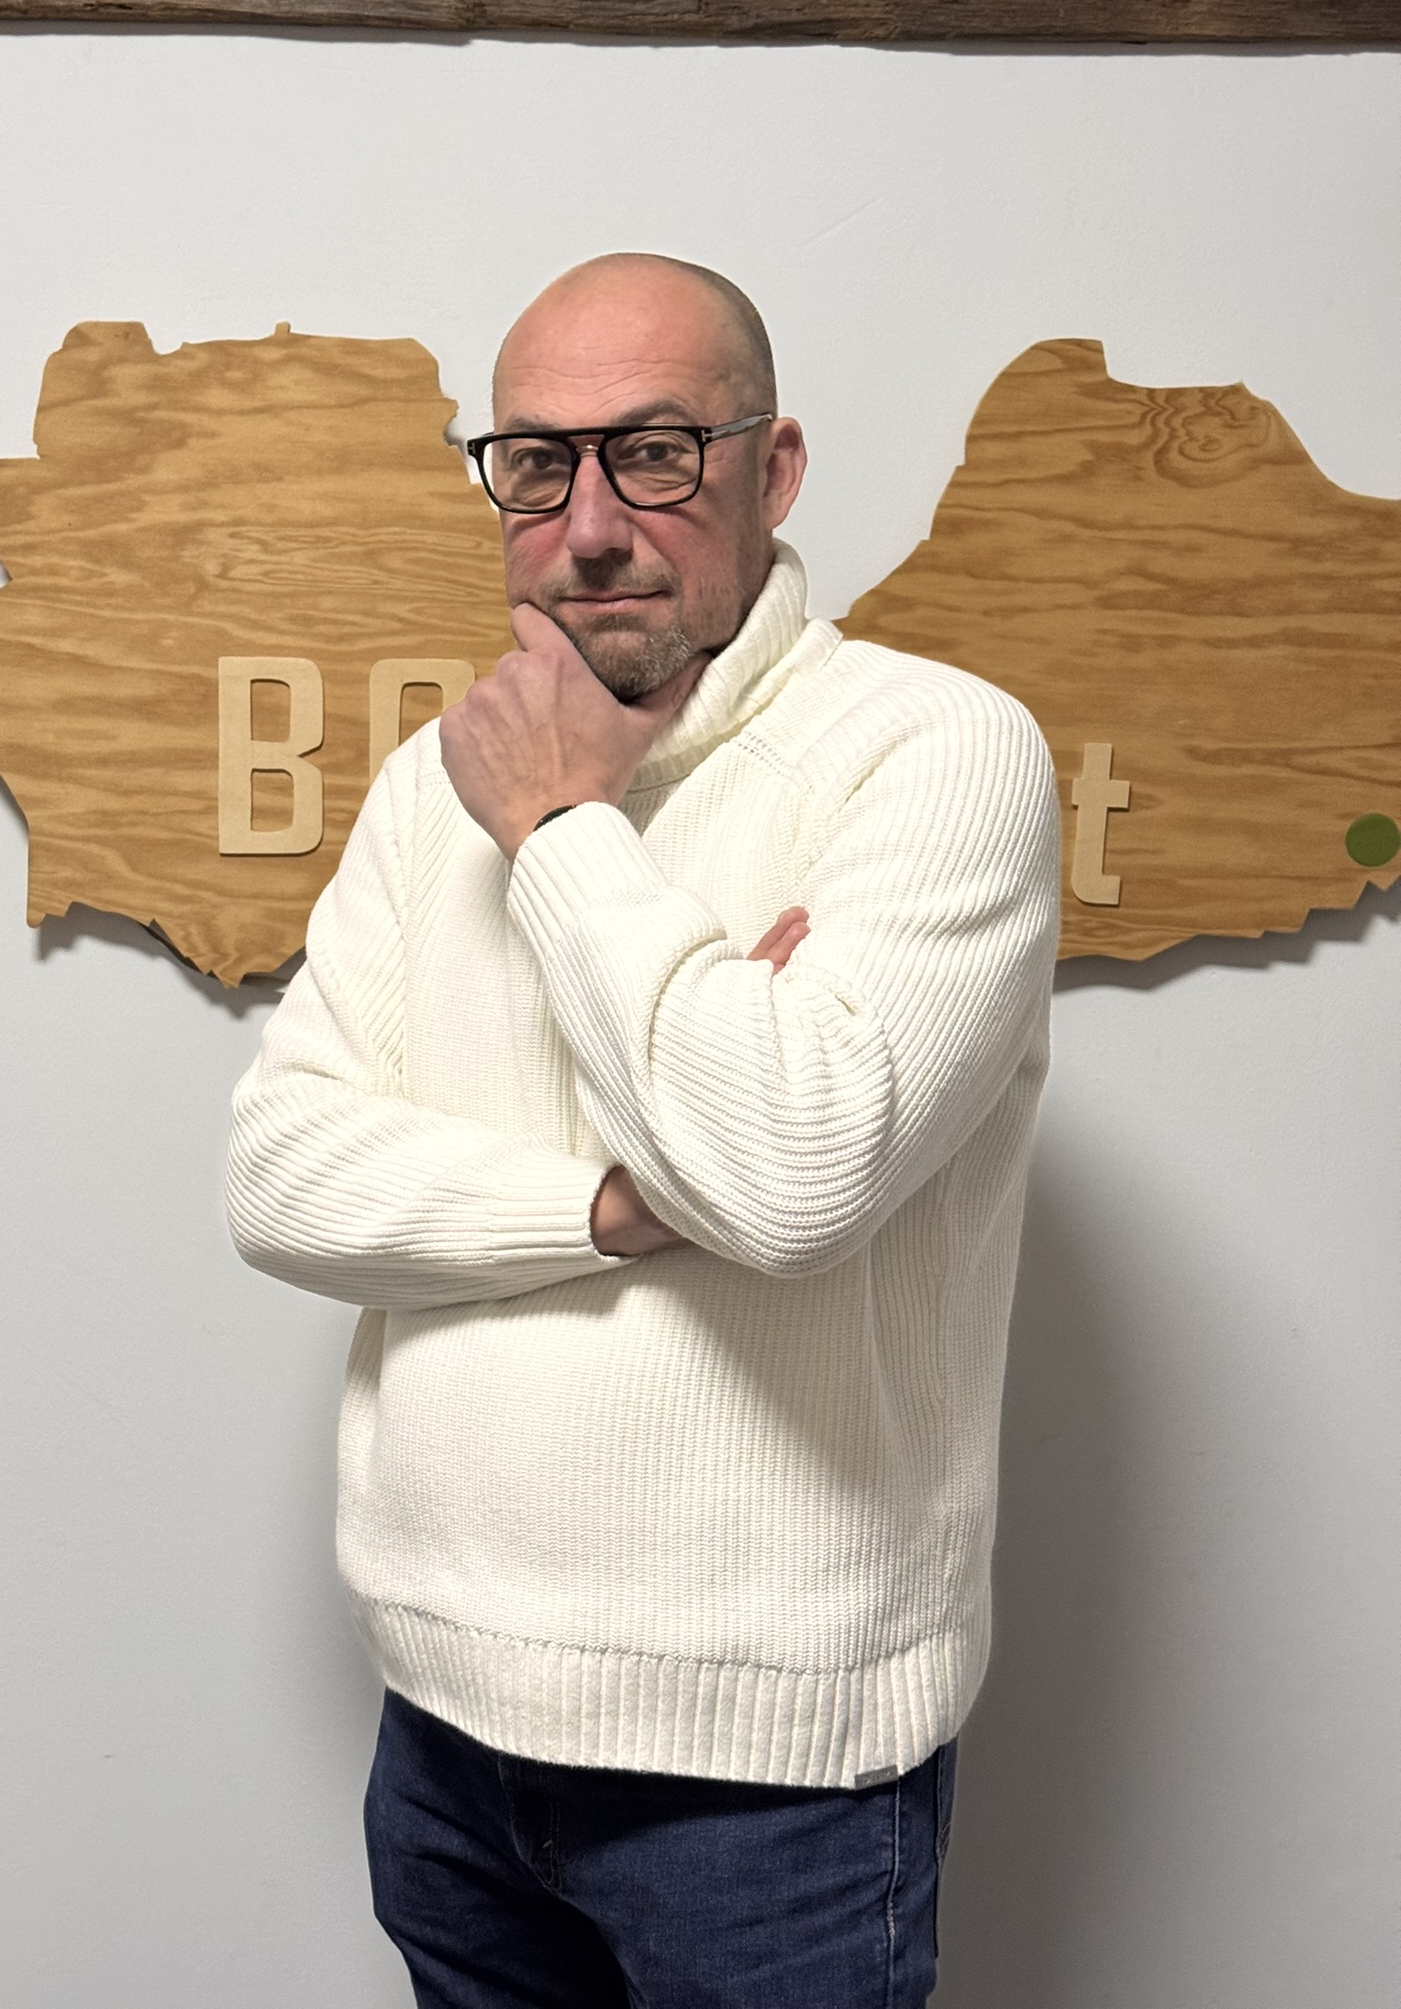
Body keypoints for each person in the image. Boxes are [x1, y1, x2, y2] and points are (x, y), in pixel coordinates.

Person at [226, 253, 1059, 2008]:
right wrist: (622, 1200)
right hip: (441, 1729)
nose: (592, 525)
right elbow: (284, 1179)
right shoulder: (427, 784)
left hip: (770, 1788)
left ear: (776, 470)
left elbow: (788, 1172)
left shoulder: (936, 754)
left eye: (658, 452)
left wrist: (558, 834)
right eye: (538, 464)